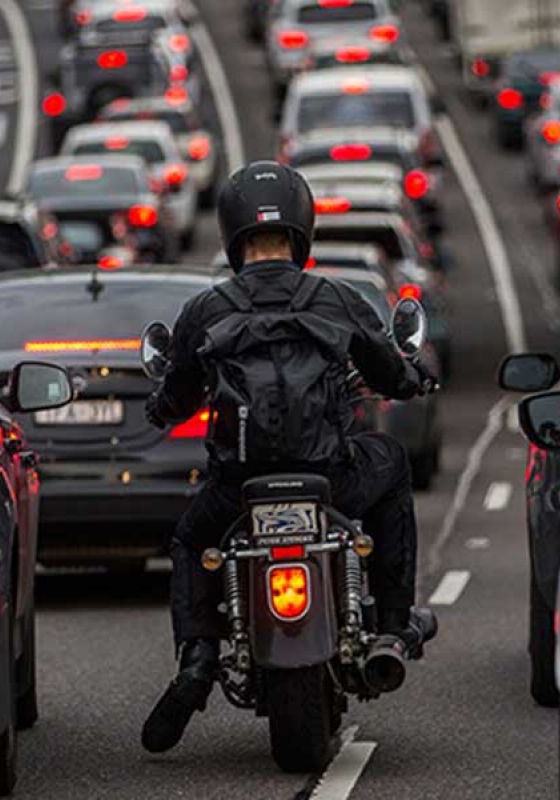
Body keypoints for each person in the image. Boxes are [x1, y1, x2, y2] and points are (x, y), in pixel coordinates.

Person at [141, 161, 437, 753]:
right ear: (302, 226)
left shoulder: (207, 310)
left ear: (231, 230)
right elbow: (390, 372)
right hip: (330, 477)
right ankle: (392, 623)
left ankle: (198, 658)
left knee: (191, 541)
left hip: (239, 488)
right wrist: (413, 379)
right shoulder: (335, 298)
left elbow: (176, 398)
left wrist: (162, 407)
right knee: (391, 461)